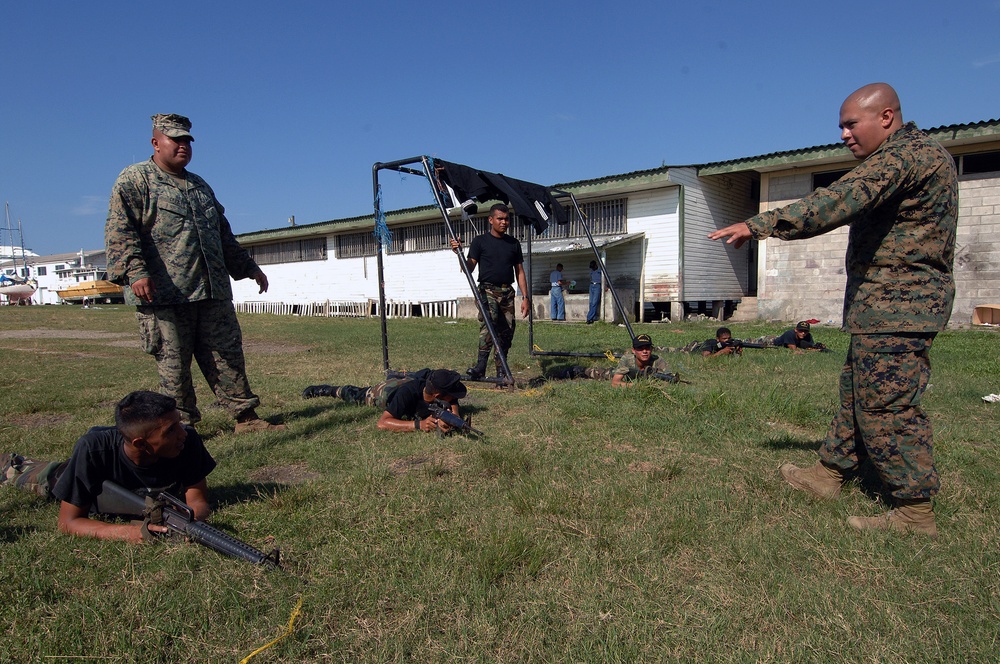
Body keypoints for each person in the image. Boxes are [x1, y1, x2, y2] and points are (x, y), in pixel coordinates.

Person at [708, 83, 957, 536]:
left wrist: (759, 223)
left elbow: (838, 200)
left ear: (885, 117)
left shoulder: (905, 157)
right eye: (840, 125)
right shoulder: (913, 156)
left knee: (888, 406)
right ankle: (828, 474)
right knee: (857, 394)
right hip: (884, 307)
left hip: (900, 306)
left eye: (850, 123)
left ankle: (915, 512)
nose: (843, 134)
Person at [105, 114, 283, 434]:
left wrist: (248, 267)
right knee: (175, 367)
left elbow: (222, 234)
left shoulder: (200, 186)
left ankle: (247, 419)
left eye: (187, 140)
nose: (183, 145)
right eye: (175, 139)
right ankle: (182, 428)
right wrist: (135, 272)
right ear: (156, 142)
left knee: (227, 355)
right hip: (164, 294)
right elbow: (121, 231)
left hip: (211, 291)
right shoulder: (135, 179)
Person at [0, 391, 215, 544]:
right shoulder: (93, 450)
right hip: (64, 475)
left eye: (179, 422)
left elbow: (198, 501)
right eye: (171, 430)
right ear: (140, 444)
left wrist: (190, 520)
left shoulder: (187, 441)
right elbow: (68, 522)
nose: (182, 432)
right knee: (23, 472)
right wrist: (129, 532)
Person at [450, 204, 530, 380]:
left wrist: (525, 297)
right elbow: (468, 268)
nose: (504, 222)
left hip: (507, 292)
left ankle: (501, 370)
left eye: (506, 219)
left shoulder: (513, 243)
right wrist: (459, 253)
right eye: (500, 219)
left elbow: (520, 272)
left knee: (507, 330)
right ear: (491, 220)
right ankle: (481, 366)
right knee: (489, 321)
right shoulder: (480, 242)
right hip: (487, 290)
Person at [302, 369, 468, 433]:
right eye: (451, 394)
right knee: (358, 394)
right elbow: (382, 423)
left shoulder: (440, 391)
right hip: (386, 392)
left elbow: (453, 401)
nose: (455, 398)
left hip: (412, 381)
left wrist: (454, 416)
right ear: (438, 395)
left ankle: (395, 375)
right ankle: (326, 389)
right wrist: (419, 425)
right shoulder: (407, 395)